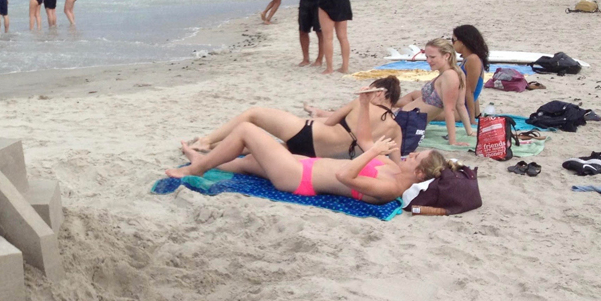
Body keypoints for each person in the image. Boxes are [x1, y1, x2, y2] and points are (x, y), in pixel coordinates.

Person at [168, 90, 453, 206]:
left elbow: (345, 177)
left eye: (416, 157)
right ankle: (200, 157)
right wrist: (364, 105)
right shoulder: (392, 168)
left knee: (247, 130)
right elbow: (364, 140)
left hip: (298, 178)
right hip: (303, 166)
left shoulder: (390, 189)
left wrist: (373, 152)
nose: (411, 154)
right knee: (249, 160)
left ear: (418, 175)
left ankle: (196, 168)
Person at [190, 76, 403, 160]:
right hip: (319, 156)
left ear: (380, 93)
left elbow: (329, 122)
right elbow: (395, 161)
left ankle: (206, 141)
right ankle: (215, 146)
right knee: (266, 145)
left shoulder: (361, 103)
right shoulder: (395, 129)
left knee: (253, 114)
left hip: (309, 134)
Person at [395, 38, 474, 145]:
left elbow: (450, 109)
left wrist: (453, 141)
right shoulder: (457, 72)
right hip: (406, 118)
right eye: (427, 57)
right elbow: (460, 105)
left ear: (447, 56)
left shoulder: (449, 76)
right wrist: (469, 131)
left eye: (432, 57)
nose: (428, 61)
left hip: (407, 122)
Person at [452, 24, 489, 120]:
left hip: (461, 109)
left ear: (462, 42)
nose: (452, 44)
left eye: (453, 40)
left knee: (417, 109)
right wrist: (477, 115)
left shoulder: (473, 60)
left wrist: (471, 119)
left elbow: (470, 91)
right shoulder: (467, 59)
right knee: (413, 96)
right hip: (456, 103)